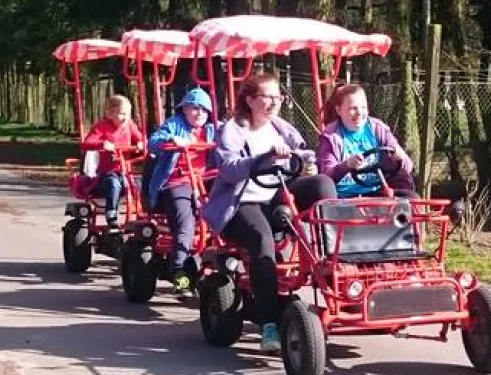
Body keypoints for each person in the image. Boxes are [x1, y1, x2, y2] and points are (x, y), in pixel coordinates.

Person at [201, 72, 338, 352]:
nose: (274, 102)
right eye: (267, 97)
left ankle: (332, 255)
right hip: (241, 203)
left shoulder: (280, 126)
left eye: (278, 97)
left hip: (276, 195)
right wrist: (262, 159)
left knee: (322, 183)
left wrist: (304, 161)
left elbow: (304, 153)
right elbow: (227, 169)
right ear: (250, 100)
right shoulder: (233, 129)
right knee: (262, 242)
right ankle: (270, 324)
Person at [144, 88, 216, 294]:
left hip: (206, 182)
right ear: (184, 109)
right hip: (177, 182)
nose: (200, 113)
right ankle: (179, 274)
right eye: (194, 108)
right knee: (186, 224)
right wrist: (172, 141)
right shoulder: (175, 125)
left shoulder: (212, 130)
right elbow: (153, 142)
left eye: (204, 109)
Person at [316, 84, 416, 198]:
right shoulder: (331, 136)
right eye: (353, 108)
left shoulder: (377, 129)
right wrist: (347, 165)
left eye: (363, 108)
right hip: (345, 198)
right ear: (339, 110)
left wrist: (398, 159)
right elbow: (327, 175)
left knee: (410, 196)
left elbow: (408, 165)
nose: (359, 113)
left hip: (377, 191)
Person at [82, 95, 143, 227]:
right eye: (121, 113)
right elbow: (87, 143)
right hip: (108, 171)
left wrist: (140, 143)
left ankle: (141, 213)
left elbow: (141, 138)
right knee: (113, 184)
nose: (125, 117)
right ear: (110, 114)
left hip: (126, 170)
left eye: (127, 113)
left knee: (139, 184)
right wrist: (102, 144)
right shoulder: (102, 127)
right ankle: (111, 214)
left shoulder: (129, 125)